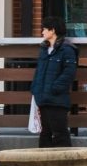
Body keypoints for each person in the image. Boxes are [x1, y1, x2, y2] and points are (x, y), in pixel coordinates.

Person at [31, 18, 77, 148]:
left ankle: (64, 164)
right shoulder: (44, 49)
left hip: (57, 99)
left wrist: (55, 88)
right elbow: (39, 72)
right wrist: (35, 89)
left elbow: (69, 73)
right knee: (45, 132)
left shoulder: (67, 50)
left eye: (45, 29)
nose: (42, 32)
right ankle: (44, 165)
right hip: (42, 98)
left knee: (60, 132)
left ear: (53, 30)